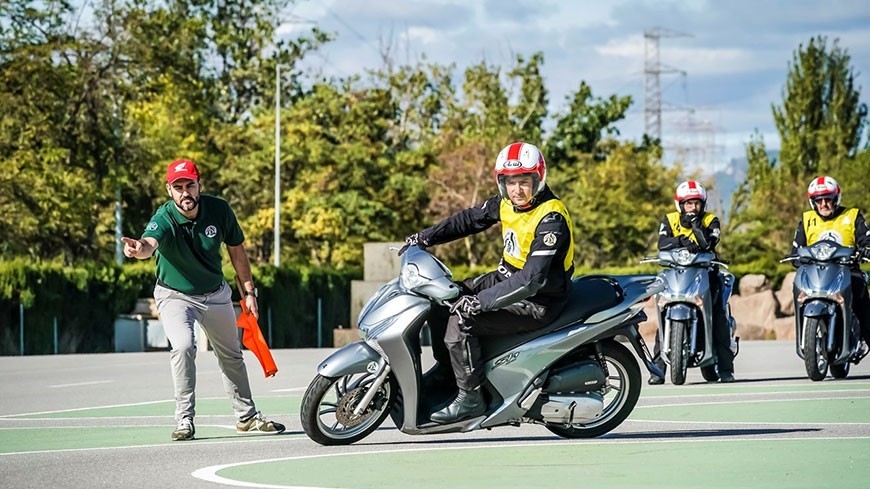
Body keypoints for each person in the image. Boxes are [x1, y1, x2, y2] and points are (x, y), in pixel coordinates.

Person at [401, 142, 575, 424]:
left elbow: (531, 280)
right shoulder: (506, 203)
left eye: (524, 182)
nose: (517, 190)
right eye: (510, 182)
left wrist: (479, 302)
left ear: (538, 179)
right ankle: (449, 372)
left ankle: (471, 398)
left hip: (538, 300)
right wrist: (425, 237)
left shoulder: (550, 218)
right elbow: (470, 219)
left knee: (461, 320)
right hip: (506, 278)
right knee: (442, 300)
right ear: (501, 182)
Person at [121, 158, 285, 441]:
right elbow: (149, 244)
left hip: (216, 293)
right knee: (184, 346)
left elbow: (237, 252)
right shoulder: (164, 219)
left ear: (200, 185)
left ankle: (246, 418)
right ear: (169, 191)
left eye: (190, 185)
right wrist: (137, 250)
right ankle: (184, 419)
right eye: (178, 187)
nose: (185, 193)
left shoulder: (219, 209)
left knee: (232, 354)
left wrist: (249, 293)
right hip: (175, 296)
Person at [650, 180, 735, 384]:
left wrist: (697, 228)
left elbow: (708, 243)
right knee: (663, 313)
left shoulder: (711, 220)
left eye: (697, 203)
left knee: (718, 313)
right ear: (680, 204)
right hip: (676, 272)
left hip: (706, 271)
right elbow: (662, 244)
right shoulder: (669, 220)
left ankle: (726, 369)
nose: (693, 208)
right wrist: (682, 241)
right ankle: (657, 368)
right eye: (688, 204)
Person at [789, 175, 870, 347]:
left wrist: (865, 250)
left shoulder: (852, 215)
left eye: (828, 199)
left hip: (847, 270)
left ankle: (865, 336)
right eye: (819, 200)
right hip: (816, 272)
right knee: (797, 287)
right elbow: (796, 248)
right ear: (813, 202)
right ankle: (804, 334)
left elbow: (866, 239)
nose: (824, 204)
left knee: (861, 297)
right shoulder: (806, 220)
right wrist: (797, 256)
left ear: (837, 198)